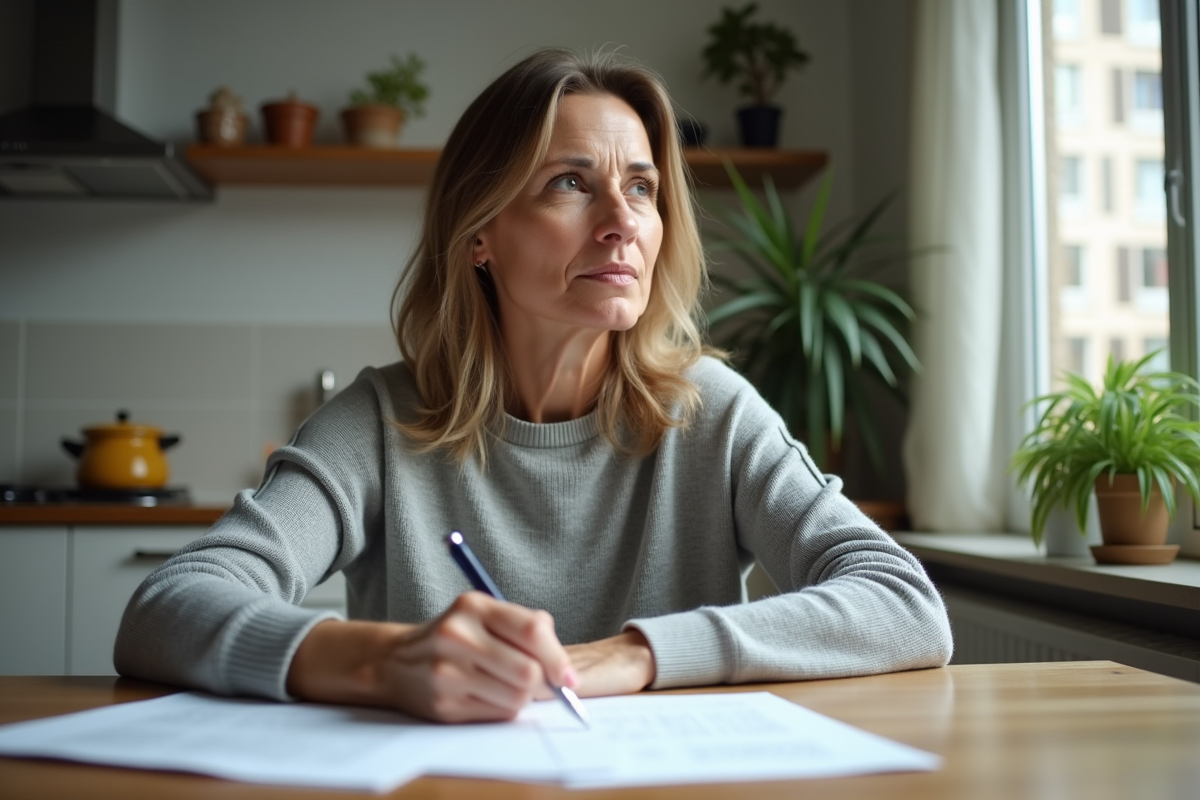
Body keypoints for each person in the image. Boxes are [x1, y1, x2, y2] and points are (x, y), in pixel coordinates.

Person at [115, 49, 953, 723]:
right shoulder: (379, 421)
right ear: (480, 232)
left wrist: (628, 655)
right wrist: (381, 662)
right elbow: (167, 607)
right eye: (570, 182)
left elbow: (904, 604)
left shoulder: (711, 412)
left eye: (641, 187)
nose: (621, 221)